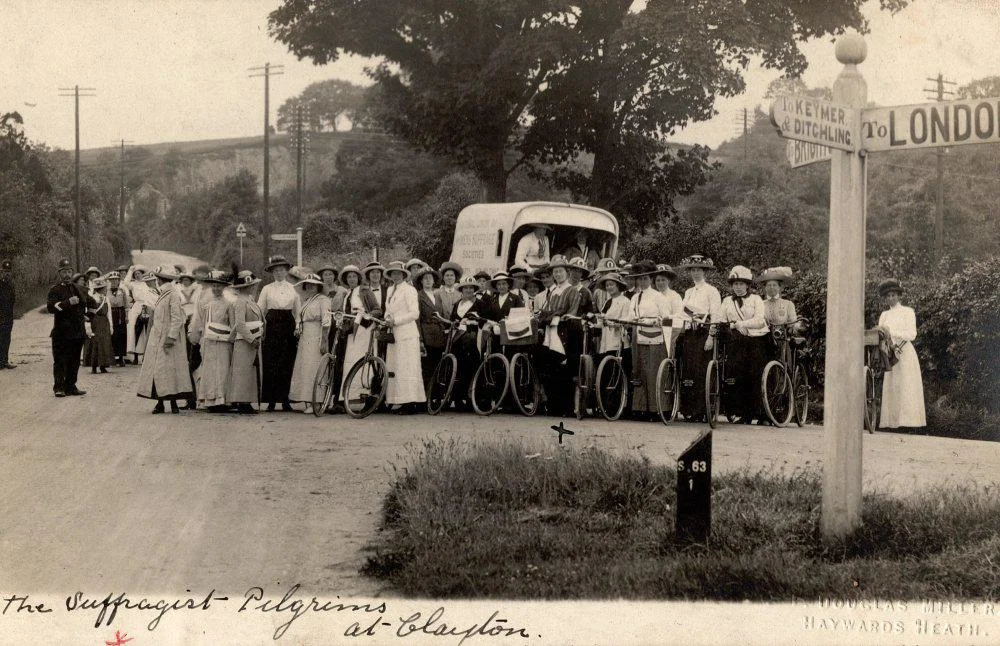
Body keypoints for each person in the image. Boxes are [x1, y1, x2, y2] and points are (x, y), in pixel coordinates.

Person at [136, 265, 193, 414]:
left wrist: (171, 337)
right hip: (158, 337)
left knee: (167, 371)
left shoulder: (172, 294)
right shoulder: (164, 294)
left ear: (161, 280)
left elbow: (177, 318)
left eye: (158, 279)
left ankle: (171, 403)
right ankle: (161, 403)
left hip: (167, 339)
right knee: (160, 371)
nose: (157, 282)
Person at [719, 266, 769, 423]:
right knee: (737, 375)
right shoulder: (727, 301)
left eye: (741, 284)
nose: (738, 287)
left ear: (747, 285)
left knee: (755, 374)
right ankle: (743, 413)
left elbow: (760, 320)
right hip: (736, 341)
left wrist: (740, 324)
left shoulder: (756, 299)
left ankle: (760, 413)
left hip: (756, 340)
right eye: (735, 284)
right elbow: (721, 318)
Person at [677, 254, 723, 421]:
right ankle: (689, 409)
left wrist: (711, 336)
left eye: (699, 270)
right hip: (690, 333)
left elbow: (716, 315)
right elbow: (683, 313)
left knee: (701, 371)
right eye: (693, 270)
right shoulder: (688, 292)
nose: (696, 273)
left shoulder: (712, 291)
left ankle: (703, 410)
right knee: (689, 370)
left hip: (704, 333)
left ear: (705, 272)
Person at [877, 279, 926, 428]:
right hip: (891, 354)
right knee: (893, 385)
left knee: (907, 385)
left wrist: (894, 335)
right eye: (888, 296)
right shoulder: (884, 315)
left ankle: (909, 422)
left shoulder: (907, 312)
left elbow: (912, 334)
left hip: (905, 353)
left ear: (899, 296)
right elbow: (881, 334)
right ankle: (893, 422)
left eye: (893, 295)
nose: (891, 298)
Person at [627, 260, 673, 420]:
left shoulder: (659, 297)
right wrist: (635, 320)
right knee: (639, 371)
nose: (642, 282)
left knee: (654, 372)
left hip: (656, 338)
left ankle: (657, 409)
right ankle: (641, 408)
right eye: (640, 279)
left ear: (651, 279)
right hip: (639, 336)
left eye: (645, 278)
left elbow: (667, 318)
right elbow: (630, 315)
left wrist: (656, 321)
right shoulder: (635, 298)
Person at [537, 255, 581, 416]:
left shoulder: (572, 291)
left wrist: (554, 316)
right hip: (551, 332)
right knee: (551, 368)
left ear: (567, 272)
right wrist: (551, 316)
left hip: (565, 334)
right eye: (555, 272)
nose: (557, 275)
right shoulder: (553, 291)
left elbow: (571, 314)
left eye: (560, 271)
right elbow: (544, 313)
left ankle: (567, 408)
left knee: (565, 370)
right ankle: (553, 405)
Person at [258, 255, 300, 412]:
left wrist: (297, 327)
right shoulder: (267, 289)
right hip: (272, 325)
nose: (279, 273)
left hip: (287, 325)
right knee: (271, 362)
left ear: (286, 271)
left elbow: (298, 311)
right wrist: (260, 327)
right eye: (275, 270)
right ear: (272, 272)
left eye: (281, 270)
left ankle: (285, 399)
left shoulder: (294, 288)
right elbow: (260, 309)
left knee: (286, 362)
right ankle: (271, 401)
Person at [383, 261, 425, 414]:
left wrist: (396, 320)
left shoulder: (409, 290)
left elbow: (415, 314)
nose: (396, 275)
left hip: (407, 333)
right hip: (393, 334)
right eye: (393, 273)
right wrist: (387, 318)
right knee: (395, 367)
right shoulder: (389, 290)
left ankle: (411, 402)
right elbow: (388, 310)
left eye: (398, 273)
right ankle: (397, 400)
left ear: (403, 274)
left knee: (407, 367)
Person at [189, 270, 234, 412]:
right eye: (214, 286)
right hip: (208, 340)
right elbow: (200, 322)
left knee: (222, 370)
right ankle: (210, 400)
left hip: (223, 342)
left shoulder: (229, 304)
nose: (216, 289)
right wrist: (197, 336)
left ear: (224, 287)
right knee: (209, 369)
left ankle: (222, 400)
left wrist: (230, 339)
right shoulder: (205, 304)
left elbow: (232, 325)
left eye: (219, 286)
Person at [288, 273, 332, 414]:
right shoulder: (306, 301)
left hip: (316, 336)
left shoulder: (323, 300)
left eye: (314, 285)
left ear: (318, 286)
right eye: (308, 285)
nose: (311, 287)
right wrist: (298, 328)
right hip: (305, 337)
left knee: (315, 367)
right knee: (305, 368)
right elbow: (300, 318)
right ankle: (307, 400)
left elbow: (326, 320)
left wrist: (324, 340)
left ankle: (317, 401)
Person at [339, 264, 381, 405]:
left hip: (364, 329)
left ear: (358, 278)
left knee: (363, 361)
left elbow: (377, 310)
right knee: (350, 361)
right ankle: (349, 397)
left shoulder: (364, 291)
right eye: (349, 277)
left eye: (354, 276)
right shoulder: (347, 294)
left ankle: (365, 396)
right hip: (352, 331)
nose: (351, 279)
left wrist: (368, 316)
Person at [47, 259, 89, 397]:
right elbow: (51, 307)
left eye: (69, 271)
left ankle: (71, 386)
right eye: (64, 271)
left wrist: (88, 314)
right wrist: (67, 303)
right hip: (61, 332)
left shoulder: (77, 288)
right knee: (60, 360)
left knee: (75, 360)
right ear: (59, 273)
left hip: (77, 332)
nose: (67, 274)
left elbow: (87, 303)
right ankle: (59, 387)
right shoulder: (55, 290)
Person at [449, 276, 489, 410]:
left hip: (473, 341)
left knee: (473, 368)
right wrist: (455, 324)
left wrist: (475, 321)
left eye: (471, 288)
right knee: (458, 368)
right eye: (465, 288)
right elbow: (452, 320)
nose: (468, 290)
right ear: (461, 289)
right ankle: (458, 399)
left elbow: (485, 321)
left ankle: (475, 400)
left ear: (475, 289)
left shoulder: (481, 303)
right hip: (457, 341)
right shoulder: (457, 304)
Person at [228, 270, 264, 414]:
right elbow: (240, 324)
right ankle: (242, 401)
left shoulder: (250, 300)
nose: (250, 287)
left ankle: (246, 401)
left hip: (254, 338)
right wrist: (251, 339)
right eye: (247, 286)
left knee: (249, 371)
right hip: (245, 341)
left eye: (251, 285)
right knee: (242, 371)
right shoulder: (240, 302)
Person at [415, 265, 446, 391]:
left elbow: (442, 315)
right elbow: (417, 319)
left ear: (434, 281)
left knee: (437, 366)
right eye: (425, 278)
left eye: (430, 278)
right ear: (421, 281)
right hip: (426, 333)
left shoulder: (437, 296)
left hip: (438, 335)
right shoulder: (418, 296)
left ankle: (435, 397)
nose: (428, 280)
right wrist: (420, 339)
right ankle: (425, 396)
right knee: (426, 367)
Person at [484, 271, 525, 359]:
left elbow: (522, 316)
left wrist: (508, 322)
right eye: (499, 284)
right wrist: (493, 325)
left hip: (512, 334)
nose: (501, 286)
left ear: (508, 285)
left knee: (510, 356)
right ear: (496, 286)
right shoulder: (493, 300)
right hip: (496, 333)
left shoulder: (515, 298)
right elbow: (489, 317)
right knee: (496, 356)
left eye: (504, 284)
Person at [84, 278, 115, 374]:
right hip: (95, 322)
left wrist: (111, 326)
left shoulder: (106, 299)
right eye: (102, 288)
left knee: (105, 343)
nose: (104, 290)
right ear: (98, 289)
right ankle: (94, 366)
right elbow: (87, 313)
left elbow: (109, 313)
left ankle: (103, 366)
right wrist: (87, 326)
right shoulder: (91, 298)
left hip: (104, 322)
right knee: (95, 343)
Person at [106, 271, 131, 367]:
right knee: (112, 334)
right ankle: (112, 357)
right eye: (112, 280)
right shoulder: (106, 291)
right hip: (111, 312)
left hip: (120, 313)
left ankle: (121, 357)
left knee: (121, 334)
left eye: (116, 279)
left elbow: (126, 305)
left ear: (119, 281)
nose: (114, 281)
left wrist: (127, 316)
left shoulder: (122, 290)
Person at [0, 259, 16, 369]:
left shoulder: (11, 285)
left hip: (8, 316)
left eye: (8, 271)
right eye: (5, 271)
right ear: (1, 272)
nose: (7, 273)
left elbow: (12, 301)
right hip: (0, 317)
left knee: (7, 339)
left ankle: (4, 361)